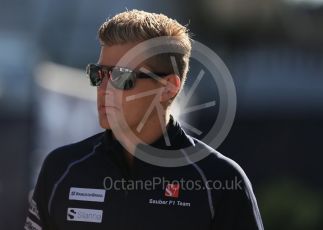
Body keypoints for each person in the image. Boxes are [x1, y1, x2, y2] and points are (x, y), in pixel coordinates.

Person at [24, 10, 264, 230]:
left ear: (169, 87)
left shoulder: (219, 181)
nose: (104, 89)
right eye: (99, 75)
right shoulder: (61, 169)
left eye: (121, 77)